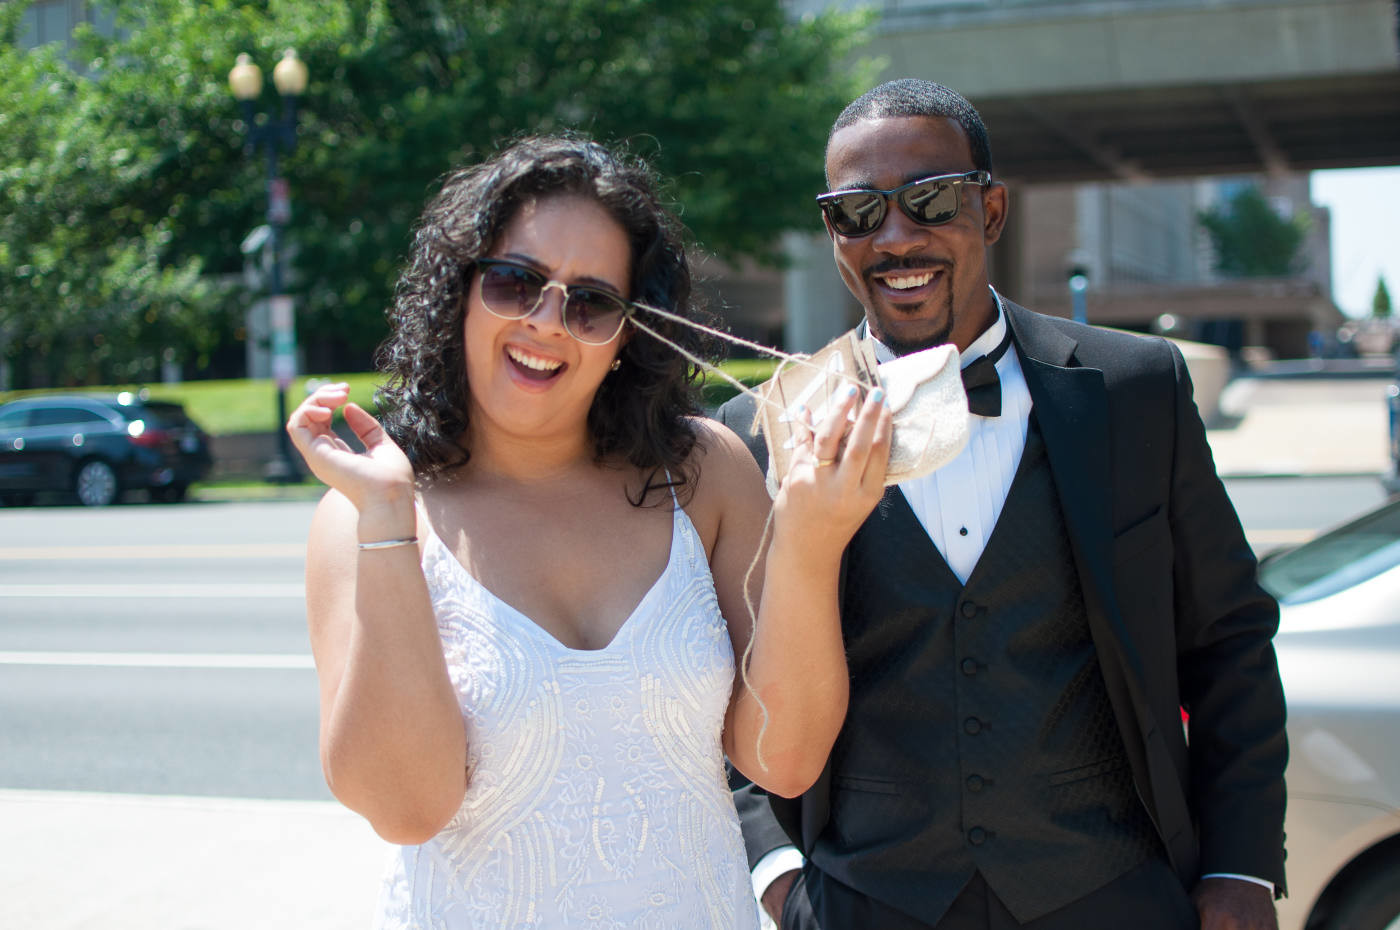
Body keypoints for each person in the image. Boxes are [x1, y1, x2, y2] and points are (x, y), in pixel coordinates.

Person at [718, 79, 1288, 930]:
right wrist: (775, 868)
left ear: (991, 209)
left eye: (931, 200)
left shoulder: (1133, 391)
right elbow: (717, 674)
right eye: (858, 212)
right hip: (860, 903)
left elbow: (1227, 635)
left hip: (1113, 894)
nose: (896, 236)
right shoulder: (759, 432)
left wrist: (1241, 865)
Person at [286, 134, 892, 928]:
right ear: (460, 291)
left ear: (628, 334)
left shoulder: (700, 471)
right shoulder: (367, 515)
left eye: (591, 301)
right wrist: (390, 521)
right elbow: (408, 809)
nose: (548, 322)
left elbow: (784, 761)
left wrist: (811, 545)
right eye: (516, 282)